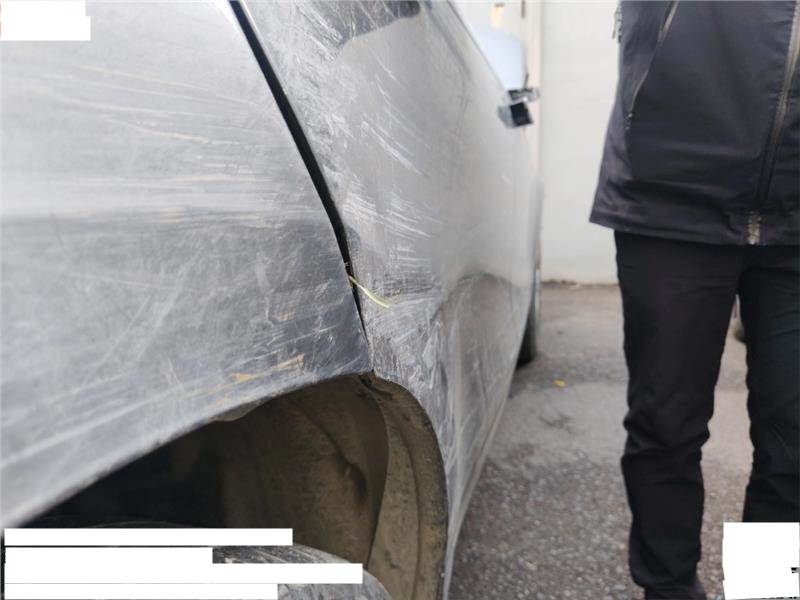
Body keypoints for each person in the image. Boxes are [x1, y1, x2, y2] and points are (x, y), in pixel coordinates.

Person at [591, 2, 800, 599]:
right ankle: (669, 589)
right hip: (672, 195)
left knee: (794, 440)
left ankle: (767, 590)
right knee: (667, 426)